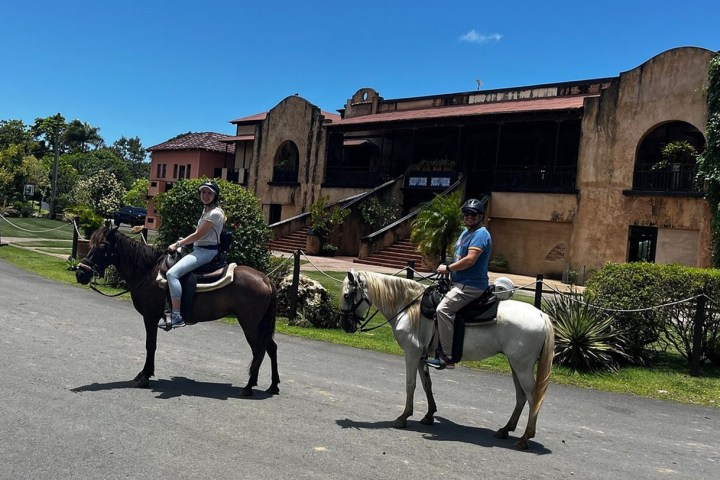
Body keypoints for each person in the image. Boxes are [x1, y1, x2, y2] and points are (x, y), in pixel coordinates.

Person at [426, 198, 492, 369]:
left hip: (471, 286)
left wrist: (448, 268)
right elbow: (459, 257)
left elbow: (470, 260)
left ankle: (447, 357)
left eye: (472, 214)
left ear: (480, 216)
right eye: (466, 213)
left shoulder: (481, 234)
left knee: (443, 309)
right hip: (458, 282)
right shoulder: (465, 233)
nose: (468, 216)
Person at [158, 180, 225, 329]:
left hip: (206, 252)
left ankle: (176, 316)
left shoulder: (215, 213)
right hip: (199, 249)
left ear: (215, 196)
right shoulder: (206, 211)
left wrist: (178, 244)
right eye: (203, 192)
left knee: (172, 274)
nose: (205, 195)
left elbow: (198, 234)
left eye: (209, 193)